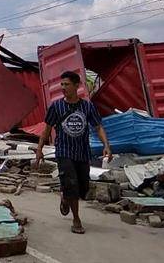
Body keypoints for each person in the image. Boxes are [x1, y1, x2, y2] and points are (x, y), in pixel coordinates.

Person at [35, 71, 112, 234]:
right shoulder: (56, 107)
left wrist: (106, 145)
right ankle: (76, 219)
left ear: (77, 86)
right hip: (64, 151)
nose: (63, 88)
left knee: (83, 188)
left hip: (82, 152)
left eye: (67, 84)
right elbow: (47, 129)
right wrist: (39, 149)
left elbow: (98, 127)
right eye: (61, 84)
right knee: (71, 184)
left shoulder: (87, 106)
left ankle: (65, 197)